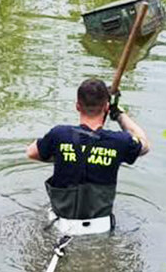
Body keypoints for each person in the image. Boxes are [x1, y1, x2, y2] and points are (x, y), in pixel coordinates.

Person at [26, 78, 150, 229]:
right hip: (101, 229)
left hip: (59, 226)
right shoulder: (119, 142)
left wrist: (65, 157)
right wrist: (118, 114)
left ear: (77, 106)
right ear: (105, 107)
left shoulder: (59, 135)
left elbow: (31, 152)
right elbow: (144, 144)